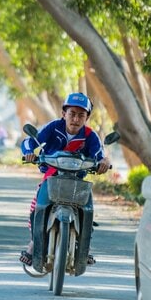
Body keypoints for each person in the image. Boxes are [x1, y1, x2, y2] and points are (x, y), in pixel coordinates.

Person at [19, 92, 111, 267]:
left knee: (88, 211)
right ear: (64, 113)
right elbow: (30, 141)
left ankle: (85, 249)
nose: (76, 119)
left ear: (87, 117)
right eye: (72, 113)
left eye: (81, 115)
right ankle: (32, 245)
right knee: (36, 206)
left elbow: (99, 155)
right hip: (52, 176)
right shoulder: (53, 127)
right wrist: (29, 153)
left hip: (77, 181)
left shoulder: (91, 136)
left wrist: (103, 163)